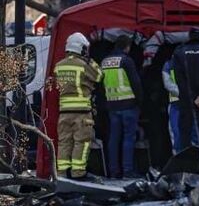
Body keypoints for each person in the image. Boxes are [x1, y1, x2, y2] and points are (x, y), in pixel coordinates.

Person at [53, 33, 102, 179]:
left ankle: (62, 174)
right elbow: (99, 76)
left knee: (64, 143)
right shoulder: (83, 65)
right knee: (81, 142)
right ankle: (78, 173)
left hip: (64, 112)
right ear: (80, 48)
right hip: (81, 113)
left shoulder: (58, 66)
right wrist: (90, 61)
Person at [101, 34, 144, 178]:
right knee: (128, 138)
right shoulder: (126, 60)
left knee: (113, 139)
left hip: (112, 106)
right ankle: (128, 171)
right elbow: (136, 83)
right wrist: (140, 102)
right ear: (127, 47)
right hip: (128, 105)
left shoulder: (104, 61)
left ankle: (113, 171)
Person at [162, 52, 187, 153]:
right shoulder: (189, 62)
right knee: (178, 133)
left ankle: (182, 159)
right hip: (182, 103)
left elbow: (167, 84)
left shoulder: (168, 64)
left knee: (177, 132)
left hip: (177, 102)